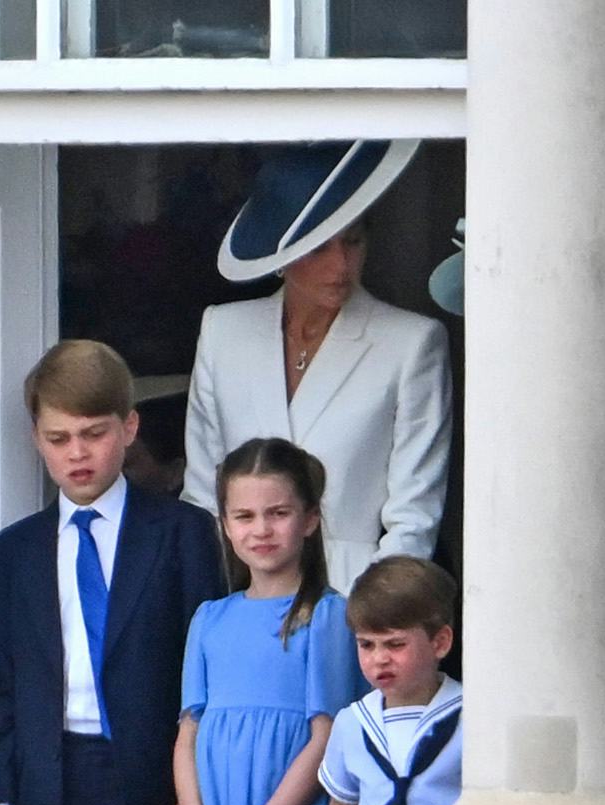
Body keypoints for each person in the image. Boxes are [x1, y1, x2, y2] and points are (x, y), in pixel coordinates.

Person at [183, 139, 452, 593]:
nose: (341, 265)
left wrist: (372, 613)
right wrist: (217, 607)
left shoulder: (411, 343)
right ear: (282, 254)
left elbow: (414, 515)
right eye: (319, 248)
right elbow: (202, 497)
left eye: (353, 241)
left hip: (354, 594)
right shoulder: (223, 332)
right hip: (241, 596)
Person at [0, 340, 225, 805]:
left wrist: (195, 788)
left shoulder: (182, 532)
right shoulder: (14, 552)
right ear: (36, 439)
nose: (77, 453)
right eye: (58, 438)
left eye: (94, 434)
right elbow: (5, 683)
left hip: (158, 778)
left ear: (129, 427)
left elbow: (210, 672)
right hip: (45, 781)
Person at [174, 439, 364, 805]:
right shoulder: (209, 619)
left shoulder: (327, 615)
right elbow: (188, 734)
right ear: (225, 525)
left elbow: (326, 737)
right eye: (244, 516)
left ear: (309, 519)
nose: (261, 529)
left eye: (278, 513)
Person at [319, 556, 463, 805]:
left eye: (395, 644)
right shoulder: (352, 722)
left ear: (440, 643)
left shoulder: (470, 717)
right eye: (366, 645)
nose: (379, 659)